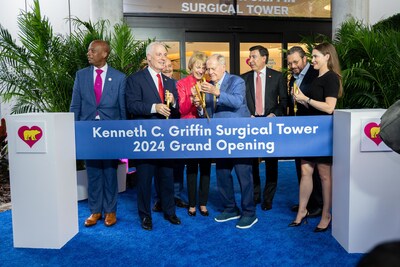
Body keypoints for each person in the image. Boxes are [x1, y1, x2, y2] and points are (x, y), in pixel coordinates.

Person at [70, 40, 126, 227]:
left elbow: (122, 109)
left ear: (105, 53)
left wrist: (123, 136)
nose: (89, 53)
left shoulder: (119, 78)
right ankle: (95, 211)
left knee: (110, 172)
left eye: (93, 50)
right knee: (93, 172)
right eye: (88, 50)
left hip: (111, 134)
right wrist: (74, 131)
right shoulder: (81, 75)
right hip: (88, 133)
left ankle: (110, 211)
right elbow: (75, 105)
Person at [125, 41, 181, 231]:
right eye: (159, 55)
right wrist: (154, 107)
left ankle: (170, 212)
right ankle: (145, 216)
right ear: (149, 57)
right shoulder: (135, 79)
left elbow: (177, 112)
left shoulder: (170, 82)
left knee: (167, 177)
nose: (163, 58)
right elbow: (132, 106)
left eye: (164, 55)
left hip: (165, 139)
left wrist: (172, 104)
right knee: (144, 180)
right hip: (145, 139)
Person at [289, 42, 343, 232]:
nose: (313, 60)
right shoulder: (316, 76)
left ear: (327, 57)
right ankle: (302, 211)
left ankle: (326, 214)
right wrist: (301, 100)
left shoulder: (331, 78)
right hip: (309, 132)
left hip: (323, 133)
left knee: (324, 176)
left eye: (316, 56)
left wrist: (307, 99)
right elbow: (313, 105)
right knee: (305, 172)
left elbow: (330, 107)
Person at [200, 54, 257, 229]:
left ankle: (249, 212)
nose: (209, 72)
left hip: (239, 136)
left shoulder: (236, 81)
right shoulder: (208, 86)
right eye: (207, 69)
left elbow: (237, 102)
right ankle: (231, 208)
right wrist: (200, 107)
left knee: (243, 175)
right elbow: (209, 112)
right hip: (220, 137)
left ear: (223, 67)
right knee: (222, 173)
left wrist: (216, 92)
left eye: (213, 68)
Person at [241, 45, 288, 211]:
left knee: (271, 163)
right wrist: (247, 115)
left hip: (270, 124)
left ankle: (268, 198)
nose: (250, 60)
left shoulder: (277, 77)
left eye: (253, 57)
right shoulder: (243, 78)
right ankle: (255, 195)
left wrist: (274, 116)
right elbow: (240, 103)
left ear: (264, 58)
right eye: (250, 56)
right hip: (251, 124)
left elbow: (284, 102)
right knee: (252, 162)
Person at [287, 46, 323, 217]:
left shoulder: (316, 75)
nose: (293, 65)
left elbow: (320, 102)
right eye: (290, 63)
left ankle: (318, 204)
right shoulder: (292, 79)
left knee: (313, 169)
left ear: (304, 59)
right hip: (297, 129)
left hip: (314, 128)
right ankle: (305, 202)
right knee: (300, 167)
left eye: (295, 62)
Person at [176, 51, 211, 217]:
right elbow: (181, 110)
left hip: (206, 131)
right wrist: (191, 97)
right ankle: (192, 204)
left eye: (203, 67)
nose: (201, 70)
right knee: (191, 167)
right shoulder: (182, 84)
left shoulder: (209, 83)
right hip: (189, 131)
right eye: (198, 66)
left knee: (205, 168)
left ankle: (203, 203)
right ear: (191, 67)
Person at [152, 57, 189, 212]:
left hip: (175, 131)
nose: (167, 69)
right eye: (164, 66)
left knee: (178, 166)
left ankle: (176, 196)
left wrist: (173, 102)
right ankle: (160, 198)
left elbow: (181, 108)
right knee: (159, 166)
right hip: (158, 132)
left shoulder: (177, 85)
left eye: (170, 67)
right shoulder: (154, 85)